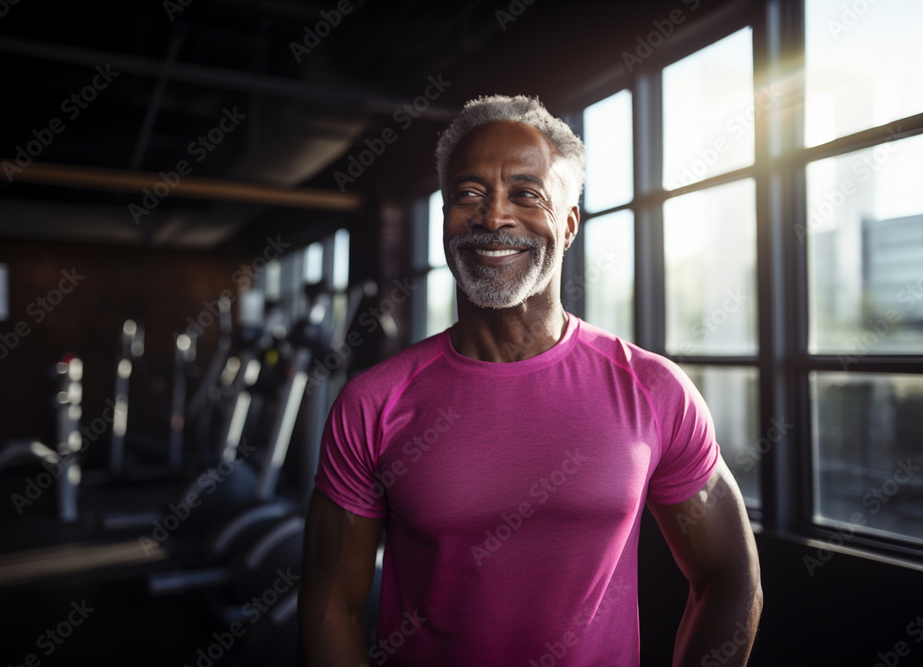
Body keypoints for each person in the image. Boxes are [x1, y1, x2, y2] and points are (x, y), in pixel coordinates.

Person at [299, 94, 762, 666]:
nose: (494, 217)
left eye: (526, 194)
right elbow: (329, 608)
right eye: (469, 194)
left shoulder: (653, 389)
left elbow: (729, 575)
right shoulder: (372, 403)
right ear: (445, 217)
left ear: (568, 226)